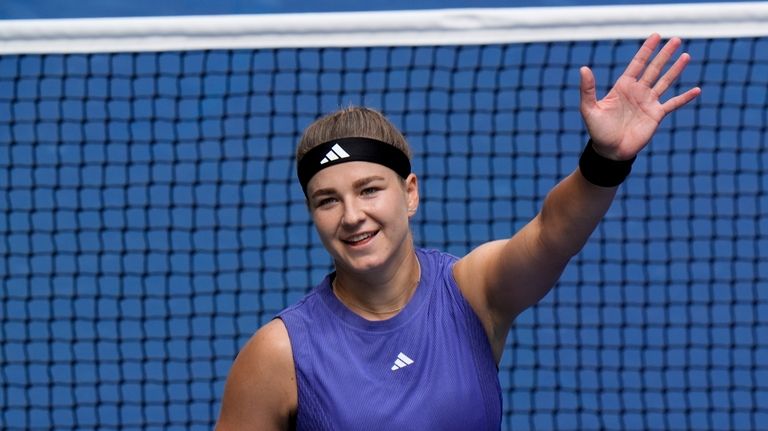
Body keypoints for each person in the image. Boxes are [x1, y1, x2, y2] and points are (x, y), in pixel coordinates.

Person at [215, 33, 701, 430]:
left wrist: (605, 161)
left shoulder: (473, 292)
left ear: (410, 193)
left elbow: (553, 234)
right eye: (327, 200)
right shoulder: (279, 354)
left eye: (368, 190)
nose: (351, 215)